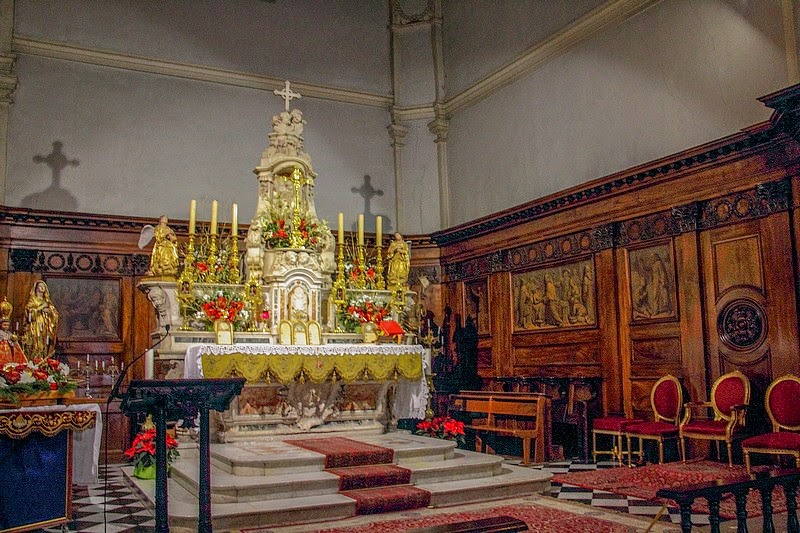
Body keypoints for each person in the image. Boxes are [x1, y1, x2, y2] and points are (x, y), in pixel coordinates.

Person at [22, 280, 60, 358]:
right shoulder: (33, 300)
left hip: (45, 325)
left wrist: (49, 312)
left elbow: (55, 314)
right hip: (35, 325)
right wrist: (41, 307)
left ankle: (44, 358)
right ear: (36, 288)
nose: (42, 288)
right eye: (40, 286)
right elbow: (29, 314)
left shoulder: (47, 301)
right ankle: (35, 360)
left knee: (44, 342)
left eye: (44, 286)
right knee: (36, 342)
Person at [0, 297, 26, 365]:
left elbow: (13, 344)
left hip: (8, 352)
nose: (6, 327)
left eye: (7, 325)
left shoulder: (9, 333)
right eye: (4, 325)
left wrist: (14, 340)